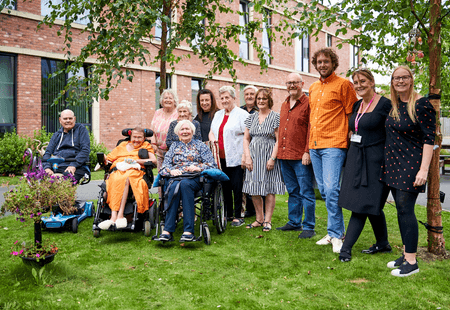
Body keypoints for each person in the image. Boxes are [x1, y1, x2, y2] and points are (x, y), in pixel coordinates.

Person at [383, 66, 435, 277]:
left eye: (404, 77)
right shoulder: (394, 104)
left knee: (406, 210)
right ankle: (406, 254)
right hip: (394, 163)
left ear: (411, 80)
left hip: (411, 165)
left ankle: (412, 262)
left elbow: (429, 139)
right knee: (400, 211)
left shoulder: (421, 104)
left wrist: (423, 170)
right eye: (396, 78)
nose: (400, 81)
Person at [338, 69, 392, 262]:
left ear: (372, 82)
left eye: (362, 81)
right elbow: (355, 127)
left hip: (376, 160)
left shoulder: (385, 104)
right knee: (370, 203)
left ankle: (345, 249)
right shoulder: (356, 105)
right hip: (356, 158)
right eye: (355, 82)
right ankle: (383, 243)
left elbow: (392, 133)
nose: (359, 85)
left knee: (361, 205)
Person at [308, 48, 358, 253]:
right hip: (315, 145)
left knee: (331, 190)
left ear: (333, 63)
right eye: (319, 62)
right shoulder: (312, 88)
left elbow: (352, 115)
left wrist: (348, 139)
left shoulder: (344, 85)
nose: (322, 65)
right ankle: (332, 231)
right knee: (325, 191)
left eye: (325, 62)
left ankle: (337, 234)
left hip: (334, 144)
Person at [158, 120, 217, 242]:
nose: (185, 132)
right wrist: (170, 171)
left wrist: (198, 167)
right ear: (178, 133)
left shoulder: (200, 145)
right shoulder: (174, 146)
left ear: (192, 131)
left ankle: (188, 231)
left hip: (194, 178)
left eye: (187, 129)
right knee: (174, 186)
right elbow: (164, 167)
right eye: (182, 129)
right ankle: (167, 230)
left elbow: (212, 165)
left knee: (184, 185)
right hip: (176, 177)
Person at [276, 73, 316, 238]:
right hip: (284, 155)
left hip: (300, 156)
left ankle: (309, 226)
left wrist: (307, 151)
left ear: (302, 83)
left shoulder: (308, 103)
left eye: (295, 83)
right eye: (289, 83)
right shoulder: (285, 103)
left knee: (306, 192)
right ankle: (294, 222)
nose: (292, 85)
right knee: (292, 190)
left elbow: (311, 129)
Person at [98, 127, 157, 230]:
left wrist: (135, 161)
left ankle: (120, 215)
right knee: (115, 179)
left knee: (126, 178)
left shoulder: (146, 146)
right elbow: (109, 159)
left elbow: (154, 161)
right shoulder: (122, 145)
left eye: (140, 137)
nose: (137, 140)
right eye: (134, 137)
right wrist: (103, 158)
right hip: (118, 170)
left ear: (144, 138)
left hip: (135, 171)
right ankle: (113, 217)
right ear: (130, 136)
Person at [242, 88, 284, 232]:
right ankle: (259, 219)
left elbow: (279, 140)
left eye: (263, 99)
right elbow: (246, 139)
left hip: (268, 155)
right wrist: (247, 156)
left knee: (269, 188)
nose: (260, 101)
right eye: (258, 99)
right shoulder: (251, 117)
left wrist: (273, 158)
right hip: (253, 156)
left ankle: (268, 220)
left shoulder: (275, 117)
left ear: (269, 100)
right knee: (254, 188)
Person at [209, 86, 249, 227]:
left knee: (237, 187)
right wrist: (213, 140)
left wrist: (245, 155)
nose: (225, 100)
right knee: (224, 186)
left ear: (233, 98)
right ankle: (228, 213)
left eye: (227, 97)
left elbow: (248, 136)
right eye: (222, 98)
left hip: (237, 156)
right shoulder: (218, 114)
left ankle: (239, 216)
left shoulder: (242, 114)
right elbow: (211, 131)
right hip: (220, 158)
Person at [43, 109, 90, 183]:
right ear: (60, 120)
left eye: (70, 118)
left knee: (65, 181)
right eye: (65, 119)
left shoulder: (81, 130)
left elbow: (85, 150)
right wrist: (47, 168)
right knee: (38, 178)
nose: (68, 121)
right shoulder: (56, 135)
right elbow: (47, 153)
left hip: (77, 166)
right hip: (57, 166)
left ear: (74, 119)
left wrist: (73, 165)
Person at [241, 85, 259, 218]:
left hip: (258, 149)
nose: (249, 96)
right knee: (246, 180)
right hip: (243, 147)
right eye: (246, 94)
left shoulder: (260, 110)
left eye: (252, 94)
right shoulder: (240, 110)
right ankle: (249, 209)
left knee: (257, 180)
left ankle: (260, 209)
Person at [150, 89, 179, 170]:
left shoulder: (178, 113)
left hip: (174, 152)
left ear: (175, 101)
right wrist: (153, 143)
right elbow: (152, 130)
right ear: (162, 101)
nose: (168, 100)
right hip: (159, 151)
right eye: (165, 98)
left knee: (172, 174)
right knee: (161, 174)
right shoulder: (157, 112)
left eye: (170, 98)